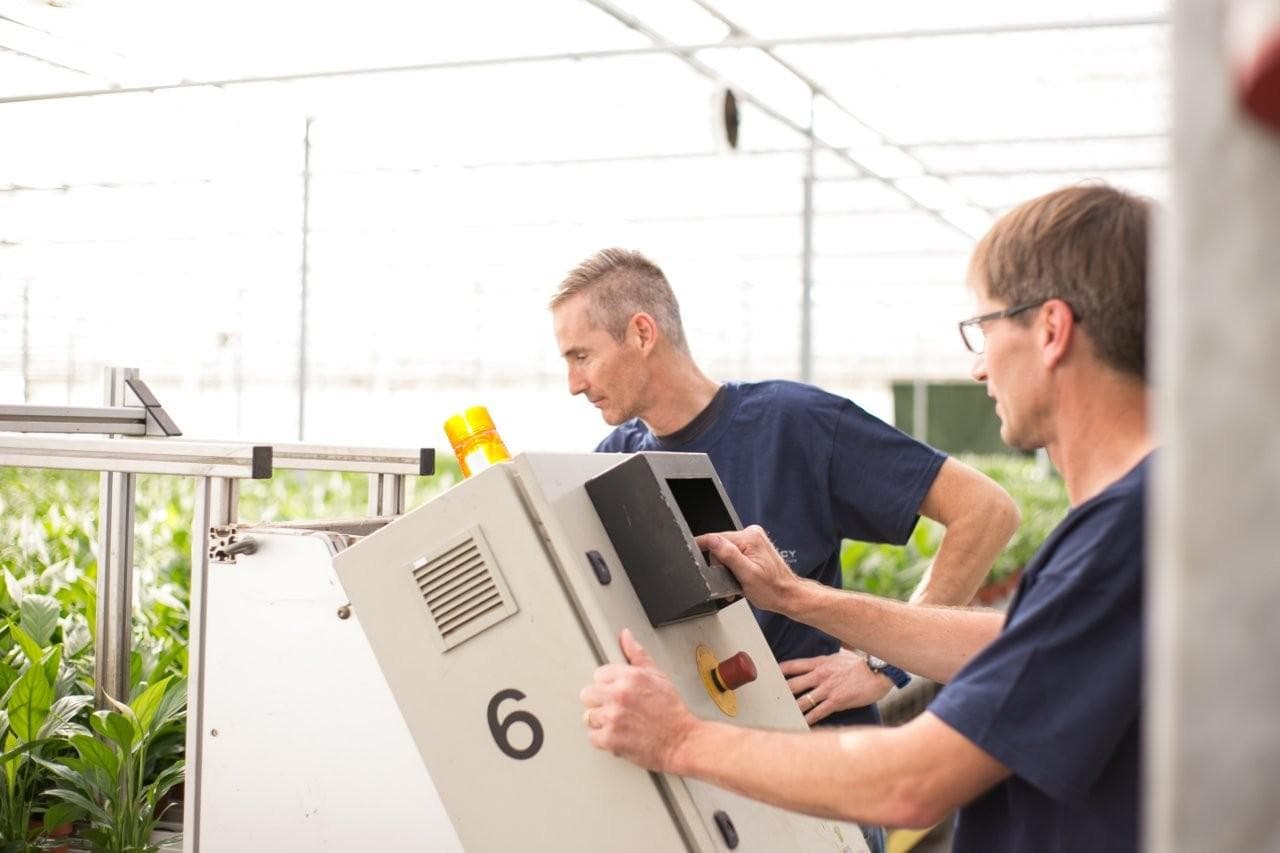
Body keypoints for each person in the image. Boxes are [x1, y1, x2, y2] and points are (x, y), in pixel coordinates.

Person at [579, 183, 1153, 852]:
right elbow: (1012, 642)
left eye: (984, 328)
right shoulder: (1137, 520)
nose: (977, 366)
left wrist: (678, 738)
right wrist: (798, 596)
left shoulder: (1127, 535)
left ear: (1051, 330)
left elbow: (913, 781)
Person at [550, 248, 1019, 729]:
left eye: (582, 356)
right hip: (703, 749)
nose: (574, 383)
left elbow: (985, 510)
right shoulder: (612, 460)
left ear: (642, 334)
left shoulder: (794, 423)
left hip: (819, 744)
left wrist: (885, 663)